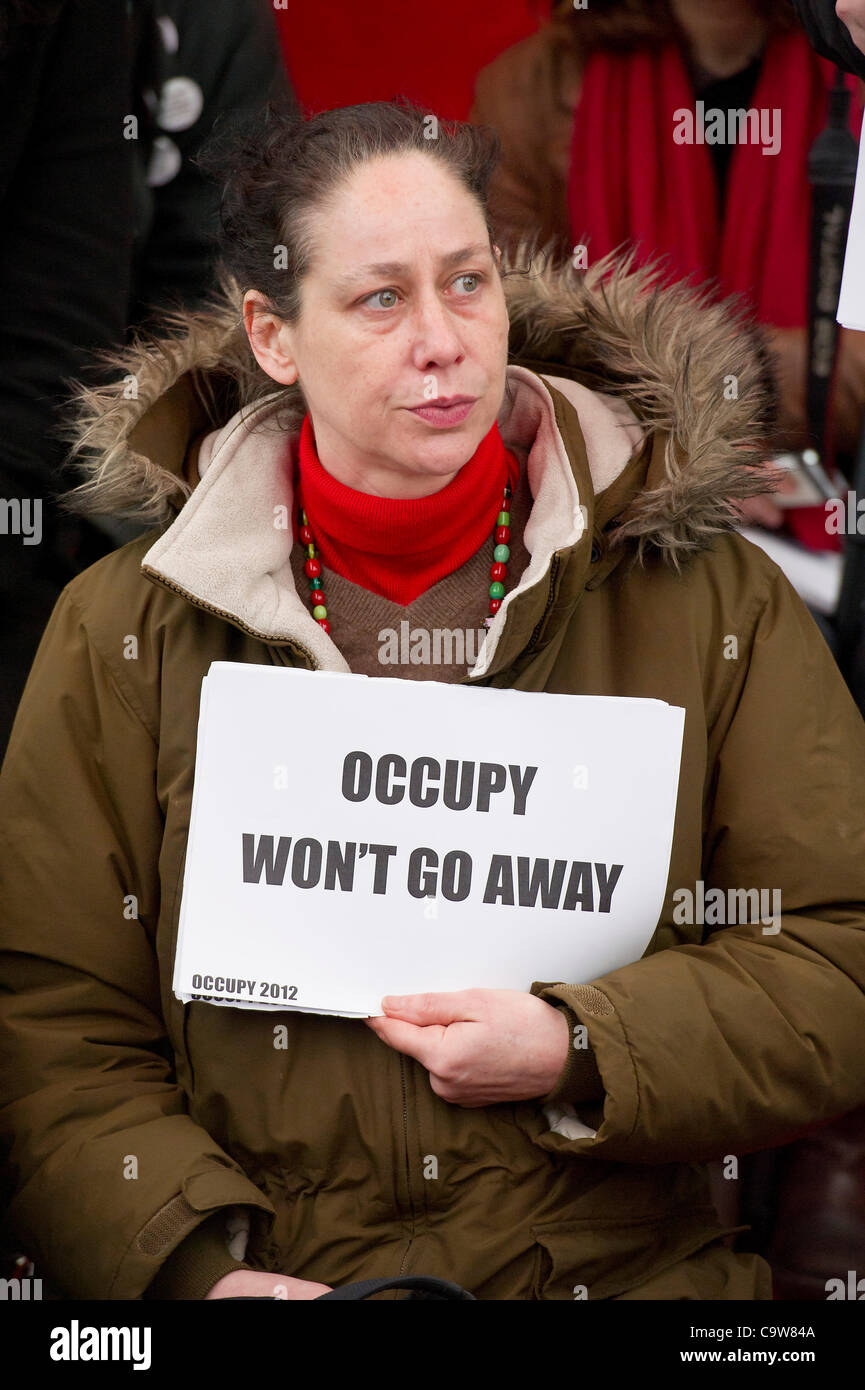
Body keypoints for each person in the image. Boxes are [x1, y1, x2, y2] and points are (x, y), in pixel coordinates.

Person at [2, 98, 865, 1302]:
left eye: (466, 284)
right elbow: (51, 1023)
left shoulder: (708, 599)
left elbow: (837, 957)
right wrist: (192, 1269)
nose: (443, 339)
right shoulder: (119, 633)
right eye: (379, 298)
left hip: (624, 1279)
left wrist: (579, 1045)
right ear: (273, 334)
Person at [469, 0, 865, 505]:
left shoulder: (856, 48)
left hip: (834, 497)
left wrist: (716, 435)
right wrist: (674, 465)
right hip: (615, 493)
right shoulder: (530, 86)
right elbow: (511, 338)